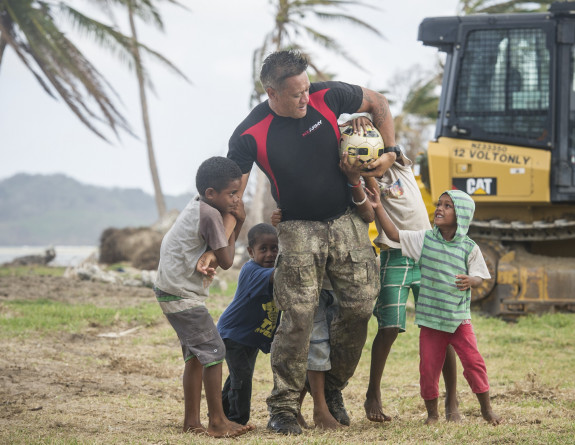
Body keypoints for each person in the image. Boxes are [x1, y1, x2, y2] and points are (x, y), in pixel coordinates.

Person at [227, 49, 396, 435]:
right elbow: (231, 196)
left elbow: (378, 103)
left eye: (306, 88)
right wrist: (219, 245)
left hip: (346, 218)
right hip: (297, 225)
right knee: (298, 314)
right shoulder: (249, 133)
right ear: (271, 92)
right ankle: (284, 406)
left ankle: (332, 389)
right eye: (295, 93)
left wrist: (389, 152)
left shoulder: (327, 95)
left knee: (360, 305)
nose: (305, 97)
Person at [341, 114, 461, 423]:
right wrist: (364, 176)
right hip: (395, 256)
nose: (365, 142)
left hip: (430, 256)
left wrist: (363, 119)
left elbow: (390, 142)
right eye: (357, 139)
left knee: (441, 327)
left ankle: (452, 402)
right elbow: (368, 212)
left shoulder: (398, 162)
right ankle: (373, 394)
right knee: (389, 327)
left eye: (369, 137)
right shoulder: (357, 181)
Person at [367, 187, 502, 426]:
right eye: (439, 204)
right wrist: (378, 207)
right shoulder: (425, 239)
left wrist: (472, 281)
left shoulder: (469, 247)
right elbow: (395, 235)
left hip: (459, 320)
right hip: (430, 322)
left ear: (461, 215)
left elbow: (481, 276)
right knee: (428, 370)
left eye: (447, 206)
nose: (439, 208)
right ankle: (433, 414)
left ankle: (486, 409)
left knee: (474, 363)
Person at [153, 156, 251, 438]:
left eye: (237, 193)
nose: (236, 199)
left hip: (171, 289)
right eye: (232, 193)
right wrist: (240, 220)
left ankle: (191, 422)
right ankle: (217, 422)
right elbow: (228, 259)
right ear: (211, 194)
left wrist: (233, 218)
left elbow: (219, 253)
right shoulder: (209, 215)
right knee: (214, 351)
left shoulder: (200, 204)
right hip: (181, 294)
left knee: (196, 357)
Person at [217, 223, 280, 426]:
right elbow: (277, 277)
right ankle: (238, 420)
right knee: (242, 376)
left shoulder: (270, 267)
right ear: (251, 251)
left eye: (275, 249)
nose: (270, 254)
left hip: (250, 337)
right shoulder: (252, 270)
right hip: (233, 334)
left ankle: (220, 413)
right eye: (263, 249)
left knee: (238, 377)